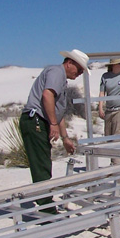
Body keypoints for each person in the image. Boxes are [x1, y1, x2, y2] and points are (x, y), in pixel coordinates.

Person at [19, 49, 88, 214]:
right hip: (35, 120)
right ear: (69, 63)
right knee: (41, 163)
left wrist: (65, 137)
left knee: (43, 161)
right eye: (79, 69)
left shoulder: (61, 80)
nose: (79, 73)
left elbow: (58, 112)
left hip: (41, 121)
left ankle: (45, 202)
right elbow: (47, 95)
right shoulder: (57, 72)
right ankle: (45, 206)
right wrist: (52, 124)